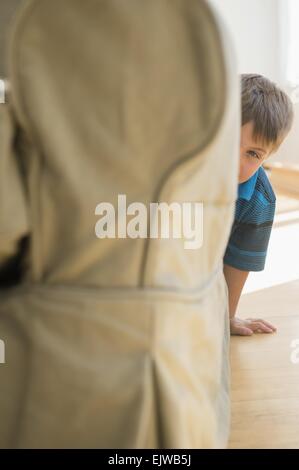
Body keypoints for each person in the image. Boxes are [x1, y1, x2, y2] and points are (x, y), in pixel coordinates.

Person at [224, 74, 294, 336]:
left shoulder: (258, 201)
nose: (234, 160)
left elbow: (237, 262)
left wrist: (227, 317)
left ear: (268, 157)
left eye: (252, 154)